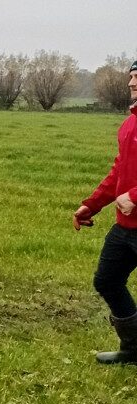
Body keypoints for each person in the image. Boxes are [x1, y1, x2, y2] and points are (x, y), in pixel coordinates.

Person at [74, 59, 137, 363]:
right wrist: (92, 203)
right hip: (125, 227)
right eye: (131, 77)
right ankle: (133, 349)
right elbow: (118, 172)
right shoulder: (130, 124)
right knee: (107, 280)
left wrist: (136, 196)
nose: (131, 83)